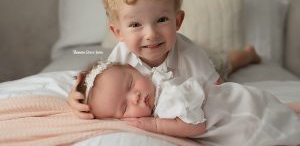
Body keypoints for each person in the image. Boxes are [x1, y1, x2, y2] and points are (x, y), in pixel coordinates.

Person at [68, 0, 260, 119]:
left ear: (177, 21)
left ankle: (247, 54)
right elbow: (98, 84)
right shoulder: (121, 55)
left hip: (203, 65)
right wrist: (74, 98)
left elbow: (220, 93)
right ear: (118, 33)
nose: (151, 34)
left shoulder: (190, 55)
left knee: (225, 63)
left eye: (161, 20)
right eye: (135, 24)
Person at [76, 60, 300, 145]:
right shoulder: (153, 82)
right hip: (237, 99)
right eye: (124, 107)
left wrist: (155, 126)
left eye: (130, 85)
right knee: (275, 108)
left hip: (238, 112)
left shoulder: (167, 101)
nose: (134, 97)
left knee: (273, 128)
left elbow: (197, 126)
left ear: (137, 70)